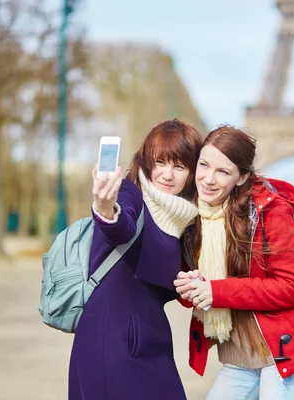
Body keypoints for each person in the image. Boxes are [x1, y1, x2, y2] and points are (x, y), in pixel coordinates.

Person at [174, 125, 294, 399]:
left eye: (223, 171)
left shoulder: (272, 212)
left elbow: (292, 287)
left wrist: (216, 291)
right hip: (241, 358)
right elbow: (195, 300)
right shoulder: (193, 218)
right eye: (204, 165)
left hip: (283, 353)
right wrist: (193, 287)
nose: (208, 179)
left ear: (242, 177)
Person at [68, 119, 203, 400]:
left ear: (191, 173)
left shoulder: (185, 219)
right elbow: (121, 225)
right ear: (146, 161)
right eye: (160, 162)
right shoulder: (130, 195)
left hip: (152, 340)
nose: (167, 174)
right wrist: (105, 208)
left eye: (179, 166)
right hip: (112, 341)